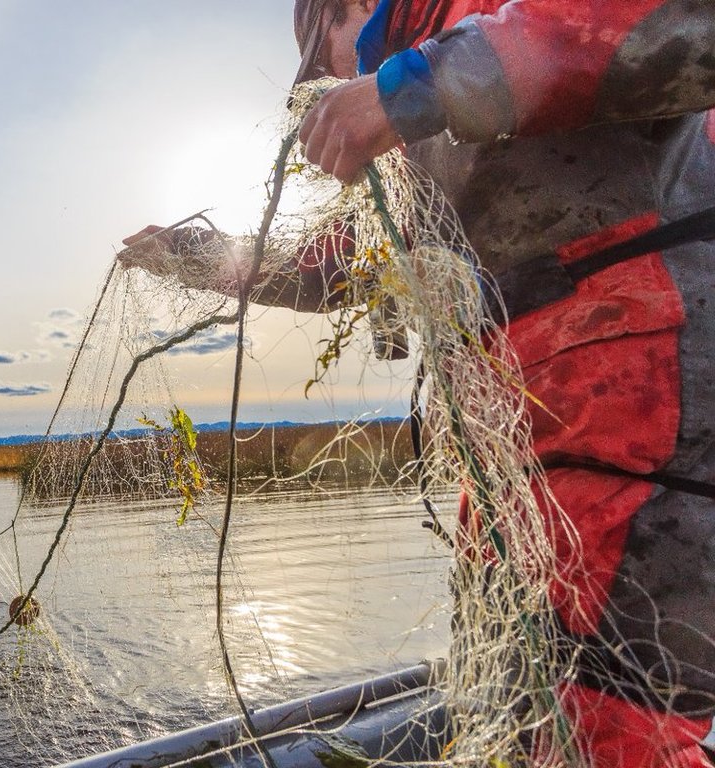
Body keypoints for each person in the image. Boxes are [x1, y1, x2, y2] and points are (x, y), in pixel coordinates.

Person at [124, 1, 715, 765]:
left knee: (607, 718)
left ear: (351, 10)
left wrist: (412, 84)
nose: (330, 86)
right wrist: (190, 254)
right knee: (519, 686)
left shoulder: (466, 28)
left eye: (322, 65)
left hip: (638, 401)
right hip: (515, 445)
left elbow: (675, 24)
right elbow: (340, 261)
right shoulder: (412, 148)